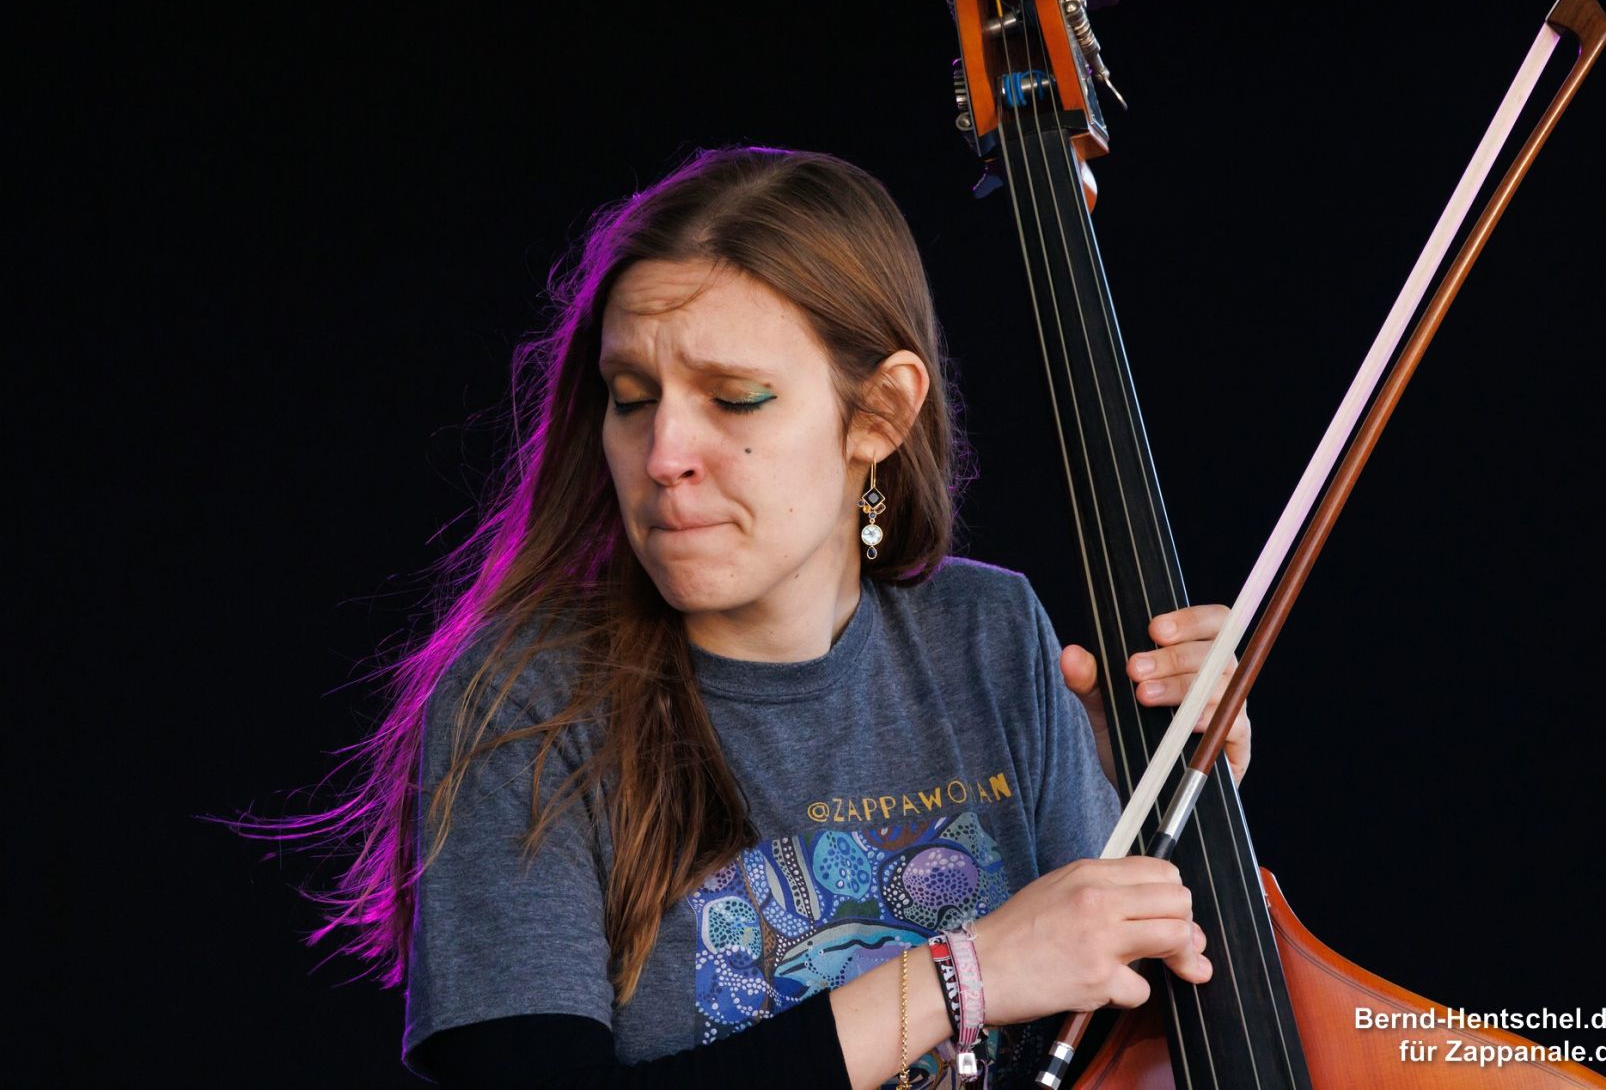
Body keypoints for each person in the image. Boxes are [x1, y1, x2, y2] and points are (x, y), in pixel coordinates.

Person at [296, 146, 1252, 1089]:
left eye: (734, 399)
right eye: (630, 399)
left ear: (879, 414)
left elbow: (1125, 1034)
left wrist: (1178, 801)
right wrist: (960, 976)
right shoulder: (524, 700)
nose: (663, 452)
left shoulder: (989, 630)